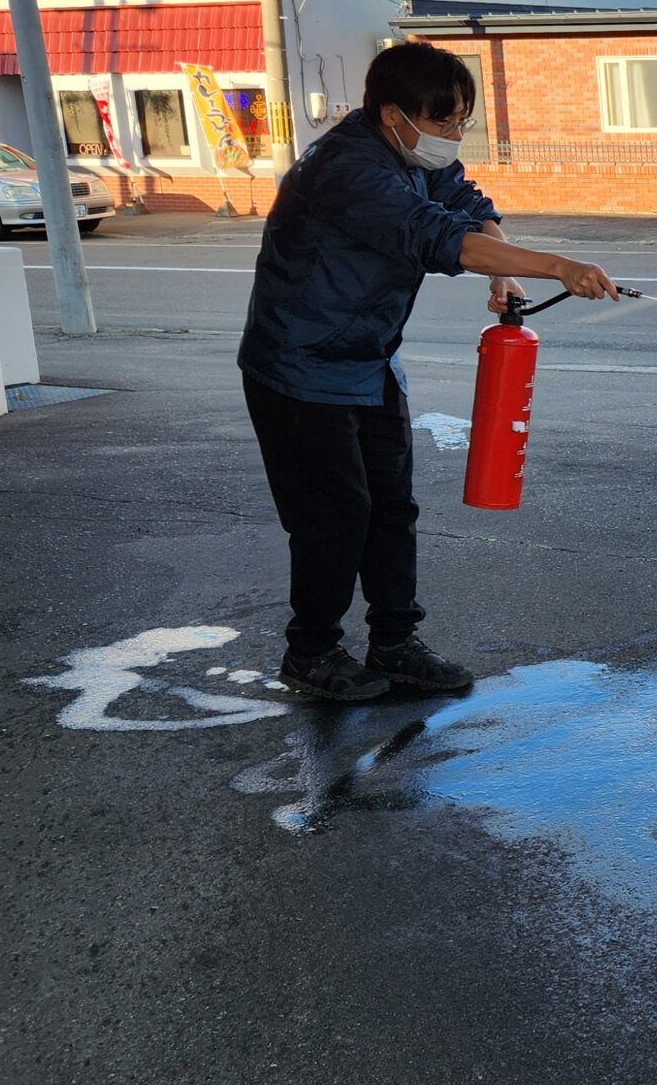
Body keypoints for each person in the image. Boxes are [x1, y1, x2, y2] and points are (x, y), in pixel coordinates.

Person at [237, 41, 616, 702]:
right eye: (444, 122)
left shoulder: (411, 156)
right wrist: (557, 266)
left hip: (370, 360)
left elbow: (466, 205)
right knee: (335, 515)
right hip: (299, 368)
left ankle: (395, 644)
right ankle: (311, 652)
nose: (454, 135)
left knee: (391, 506)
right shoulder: (350, 170)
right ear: (393, 114)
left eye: (462, 121)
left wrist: (501, 270)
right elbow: (436, 236)